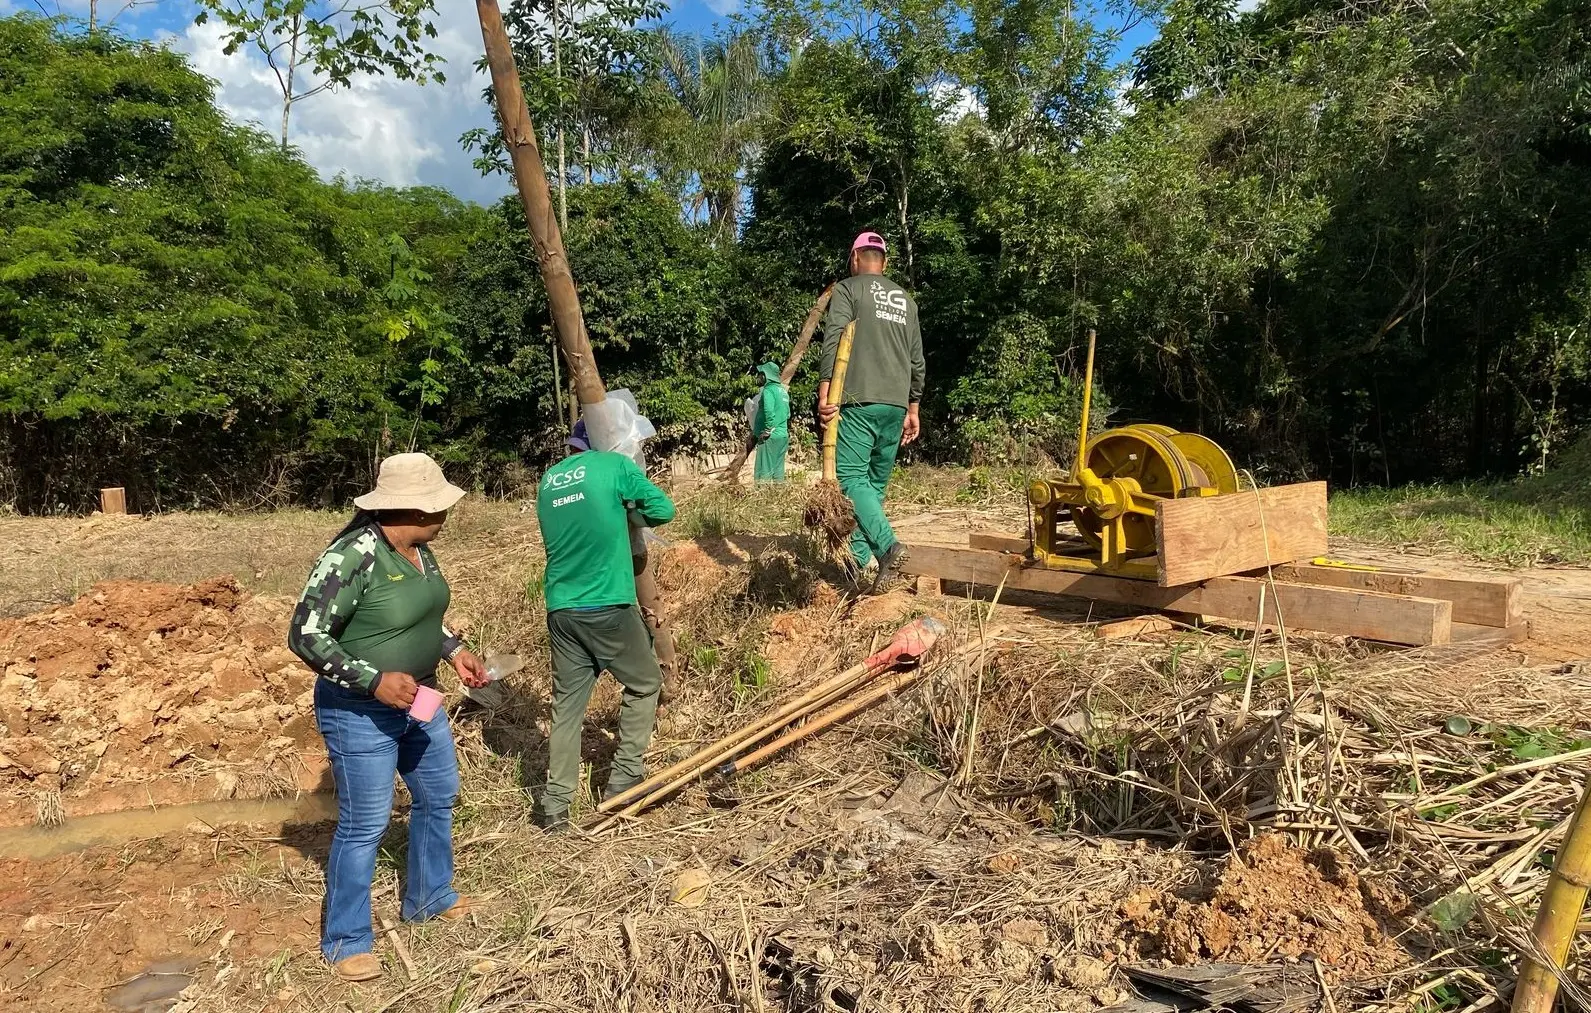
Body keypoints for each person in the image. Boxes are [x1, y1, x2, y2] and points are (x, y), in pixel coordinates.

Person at [287, 452, 490, 983]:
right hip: (359, 710)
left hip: (420, 698)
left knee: (439, 794)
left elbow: (422, 617)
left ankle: (429, 896)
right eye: (438, 507)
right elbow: (305, 634)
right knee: (365, 824)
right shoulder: (352, 555)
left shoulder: (420, 551)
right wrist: (373, 680)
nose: (446, 515)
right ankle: (347, 939)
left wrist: (453, 650)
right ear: (412, 509)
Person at [533, 423, 676, 831]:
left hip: (562, 609)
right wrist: (629, 512)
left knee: (567, 708)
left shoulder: (549, 480)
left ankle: (555, 805)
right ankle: (625, 779)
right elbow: (664, 510)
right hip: (608, 603)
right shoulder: (614, 466)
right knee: (645, 682)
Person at [817, 231, 926, 586]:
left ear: (854, 258)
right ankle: (858, 563)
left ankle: (888, 547)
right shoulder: (906, 301)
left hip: (859, 399)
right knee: (873, 486)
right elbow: (916, 359)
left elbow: (834, 338)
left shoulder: (848, 290)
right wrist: (913, 407)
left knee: (850, 478)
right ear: (885, 263)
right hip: (896, 405)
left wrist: (825, 391)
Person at [752, 361, 791, 482]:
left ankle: (762, 494)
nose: (758, 377)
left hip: (770, 437)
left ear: (766, 376)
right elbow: (787, 414)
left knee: (763, 472)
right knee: (778, 471)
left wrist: (768, 430)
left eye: (760, 374)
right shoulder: (783, 391)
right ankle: (778, 493)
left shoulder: (768, 390)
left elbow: (768, 411)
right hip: (782, 435)